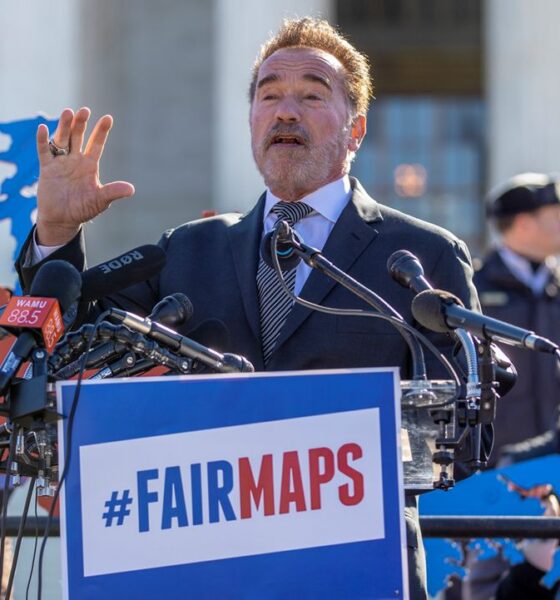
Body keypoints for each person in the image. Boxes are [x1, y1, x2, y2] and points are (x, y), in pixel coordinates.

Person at [16, 18, 480, 599]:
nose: (286, 111)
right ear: (252, 123)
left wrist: (322, 464)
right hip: (203, 568)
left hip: (354, 567)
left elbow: (458, 433)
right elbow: (68, 337)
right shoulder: (189, 247)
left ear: (356, 129)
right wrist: (56, 230)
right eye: (268, 96)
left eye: (311, 95)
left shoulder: (422, 255)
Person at [474, 173, 560, 466]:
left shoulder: (555, 287)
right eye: (557, 216)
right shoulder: (472, 290)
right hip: (492, 469)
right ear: (524, 223)